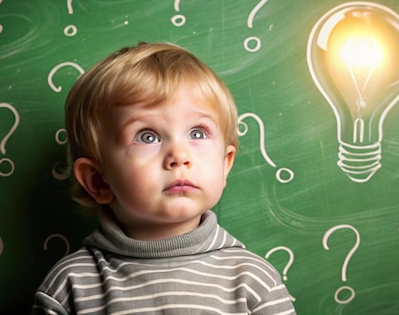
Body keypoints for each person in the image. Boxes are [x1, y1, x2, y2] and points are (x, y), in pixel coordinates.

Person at [32, 42, 296, 314]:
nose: (179, 156)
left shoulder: (252, 280)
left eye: (197, 133)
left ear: (224, 164)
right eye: (147, 136)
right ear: (98, 180)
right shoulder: (70, 285)